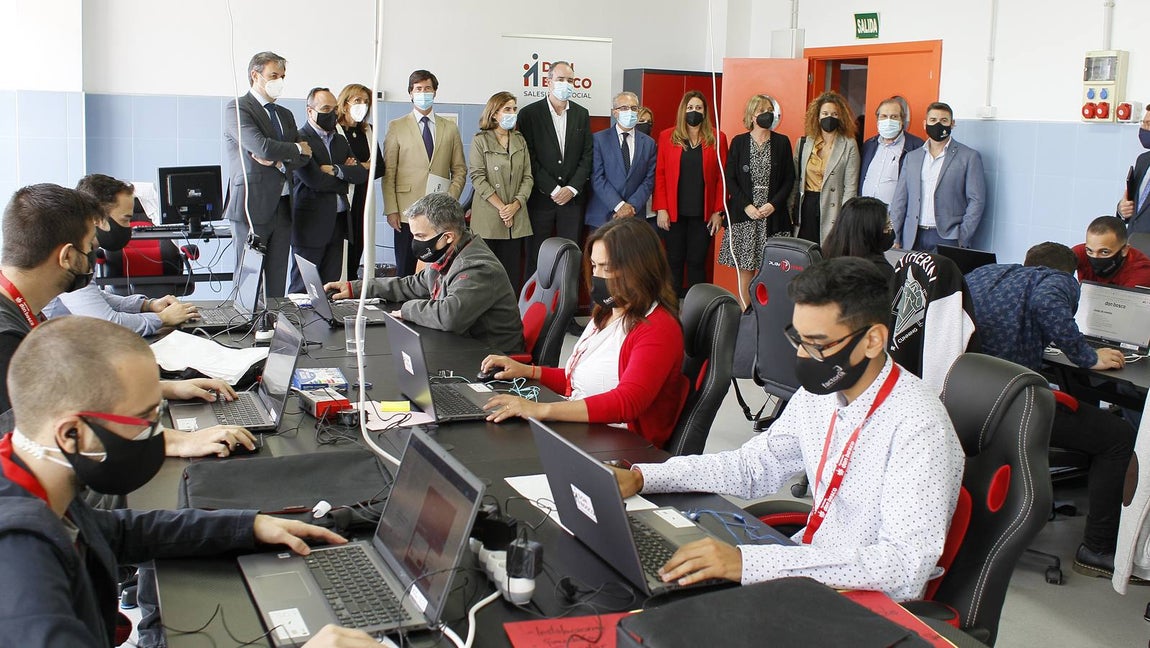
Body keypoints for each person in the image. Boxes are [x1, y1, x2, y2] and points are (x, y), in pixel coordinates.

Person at [0, 317, 379, 647]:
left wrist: (248, 525)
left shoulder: (33, 477)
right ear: (71, 435)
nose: (156, 433)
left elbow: (114, 532)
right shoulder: (20, 562)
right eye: (144, 420)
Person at [609, 257, 963, 600]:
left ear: (872, 340)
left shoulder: (919, 425)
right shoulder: (822, 394)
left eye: (818, 344)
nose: (803, 357)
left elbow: (902, 567)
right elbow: (751, 467)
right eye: (798, 339)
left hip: (861, 601)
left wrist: (749, 563)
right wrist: (644, 477)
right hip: (805, 570)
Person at [0, 184, 255, 459]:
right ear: (68, 257)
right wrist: (174, 441)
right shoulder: (6, 337)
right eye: (89, 247)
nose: (93, 255)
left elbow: (60, 390)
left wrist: (164, 389)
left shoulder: (18, 308)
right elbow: (45, 433)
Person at [965, 242, 1137, 579]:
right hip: (1015, 405)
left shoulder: (983, 275)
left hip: (971, 400)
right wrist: (1089, 357)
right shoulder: (1055, 280)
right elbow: (1047, 302)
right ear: (1067, 273)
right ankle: (1097, 549)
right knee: (1118, 436)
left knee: (1085, 417)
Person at [480, 217, 688, 448]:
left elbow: (627, 402)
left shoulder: (658, 328)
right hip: (587, 431)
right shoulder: (607, 312)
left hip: (621, 448)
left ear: (639, 269)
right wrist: (527, 371)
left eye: (606, 268)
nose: (597, 276)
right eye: (594, 265)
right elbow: (577, 380)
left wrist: (542, 410)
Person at [326, 193, 524, 354]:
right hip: (460, 345)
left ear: (448, 237)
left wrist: (406, 310)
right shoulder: (450, 253)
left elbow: (449, 315)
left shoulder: (477, 268)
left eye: (421, 236)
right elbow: (410, 285)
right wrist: (355, 288)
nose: (415, 243)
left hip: (491, 357)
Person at [44, 174, 199, 334]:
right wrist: (162, 319)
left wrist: (147, 305)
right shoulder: (72, 256)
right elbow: (107, 325)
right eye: (125, 220)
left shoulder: (85, 250)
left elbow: (95, 297)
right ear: (97, 218)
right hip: (52, 342)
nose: (129, 227)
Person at [223, 51, 312, 298]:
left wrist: (278, 161)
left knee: (277, 276)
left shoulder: (285, 114)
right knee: (248, 276)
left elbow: (306, 156)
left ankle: (273, 318)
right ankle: (244, 320)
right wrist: (294, 149)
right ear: (255, 75)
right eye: (274, 76)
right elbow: (261, 146)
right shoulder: (238, 108)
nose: (279, 81)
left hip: (283, 205)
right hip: (251, 204)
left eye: (282, 76)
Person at [382, 70, 467, 277]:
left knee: (438, 269)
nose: (423, 93)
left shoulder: (450, 128)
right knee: (405, 268)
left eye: (427, 88)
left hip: (439, 214)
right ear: (410, 93)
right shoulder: (396, 126)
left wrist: (449, 199)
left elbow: (459, 170)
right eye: (418, 89)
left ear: (435, 92)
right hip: (406, 212)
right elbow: (389, 172)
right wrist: (391, 209)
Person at [517, 60, 594, 277]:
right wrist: (553, 189)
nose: (565, 84)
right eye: (560, 79)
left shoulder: (581, 113)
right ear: (548, 82)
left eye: (570, 80)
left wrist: (572, 188)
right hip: (540, 199)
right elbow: (528, 157)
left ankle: (566, 299)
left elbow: (587, 155)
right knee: (536, 257)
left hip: (572, 201)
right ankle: (533, 299)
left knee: (570, 258)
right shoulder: (529, 114)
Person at [288, 87, 369, 294]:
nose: (331, 114)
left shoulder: (340, 140)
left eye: (334, 109)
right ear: (310, 111)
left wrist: (335, 170)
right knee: (303, 289)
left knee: (330, 288)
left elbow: (361, 174)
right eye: (325, 109)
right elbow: (314, 180)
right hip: (310, 226)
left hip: (338, 223)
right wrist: (344, 179)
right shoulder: (299, 139)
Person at [652, 90, 728, 298]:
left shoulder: (717, 138)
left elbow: (722, 177)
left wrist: (718, 211)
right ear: (683, 110)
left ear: (705, 112)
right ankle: (671, 307)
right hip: (673, 213)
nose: (694, 111)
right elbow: (660, 174)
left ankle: (698, 308)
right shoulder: (667, 137)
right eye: (690, 107)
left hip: (703, 214)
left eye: (699, 108)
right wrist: (661, 208)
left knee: (697, 262)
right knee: (674, 261)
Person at [723, 94, 795, 306]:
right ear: (752, 115)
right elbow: (730, 178)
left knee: (772, 269)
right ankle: (745, 312)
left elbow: (789, 179)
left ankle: (767, 313)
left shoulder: (782, 142)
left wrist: (773, 204)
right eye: (762, 111)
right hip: (746, 214)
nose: (767, 115)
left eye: (770, 111)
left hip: (773, 215)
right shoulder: (739, 142)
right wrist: (747, 206)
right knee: (746, 269)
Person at [889, 102, 986, 252]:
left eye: (944, 120)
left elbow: (977, 200)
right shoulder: (912, 158)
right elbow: (900, 200)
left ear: (952, 124)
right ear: (925, 124)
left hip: (949, 237)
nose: (938, 125)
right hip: (913, 237)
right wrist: (895, 235)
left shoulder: (969, 157)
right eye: (933, 120)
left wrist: (963, 236)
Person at [468, 91, 533, 291]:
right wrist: (503, 209)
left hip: (515, 218)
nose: (512, 113)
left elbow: (528, 177)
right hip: (489, 218)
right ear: (494, 113)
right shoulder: (480, 140)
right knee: (485, 276)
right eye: (507, 109)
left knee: (511, 276)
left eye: (514, 109)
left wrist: (515, 206)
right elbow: (477, 177)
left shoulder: (520, 140)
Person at [792, 91, 860, 245]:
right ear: (817, 116)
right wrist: (791, 210)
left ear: (841, 117)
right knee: (804, 250)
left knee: (828, 250)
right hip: (806, 205)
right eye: (825, 113)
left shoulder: (849, 144)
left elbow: (850, 187)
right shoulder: (804, 143)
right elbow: (796, 180)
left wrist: (845, 217)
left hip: (833, 207)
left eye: (835, 114)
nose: (830, 117)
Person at [335, 83, 385, 281]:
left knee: (359, 244)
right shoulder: (335, 131)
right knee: (341, 248)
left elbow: (379, 168)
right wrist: (364, 166)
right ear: (345, 104)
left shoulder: (368, 131)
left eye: (366, 102)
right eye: (357, 101)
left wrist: (356, 166)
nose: (362, 105)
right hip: (342, 198)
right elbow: (338, 167)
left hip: (364, 198)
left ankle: (352, 286)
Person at [588, 91, 656, 230]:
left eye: (634, 108)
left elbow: (649, 180)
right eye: (624, 108)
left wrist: (631, 207)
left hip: (634, 216)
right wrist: (619, 206)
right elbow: (597, 177)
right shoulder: (599, 139)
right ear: (615, 112)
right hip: (603, 216)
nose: (630, 112)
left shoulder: (649, 143)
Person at [859, 96, 925, 206]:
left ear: (902, 121)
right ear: (877, 120)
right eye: (884, 116)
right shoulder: (869, 145)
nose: (888, 120)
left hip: (894, 213)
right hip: (865, 210)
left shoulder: (916, 146)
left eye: (894, 117)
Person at [822, 196, 897, 285]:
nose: (890, 230)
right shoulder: (881, 272)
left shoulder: (825, 262)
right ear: (869, 231)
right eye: (887, 226)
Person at [1073, 215, 1150, 287]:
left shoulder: (1141, 273)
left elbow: (1122, 297)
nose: (1095, 257)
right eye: (1090, 251)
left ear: (1124, 250)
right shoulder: (1081, 252)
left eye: (1104, 252)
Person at [1117, 107, 1150, 235]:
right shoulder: (1143, 160)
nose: (1143, 128)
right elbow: (1135, 202)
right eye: (1143, 122)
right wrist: (1122, 209)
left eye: (1149, 124)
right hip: (1133, 239)